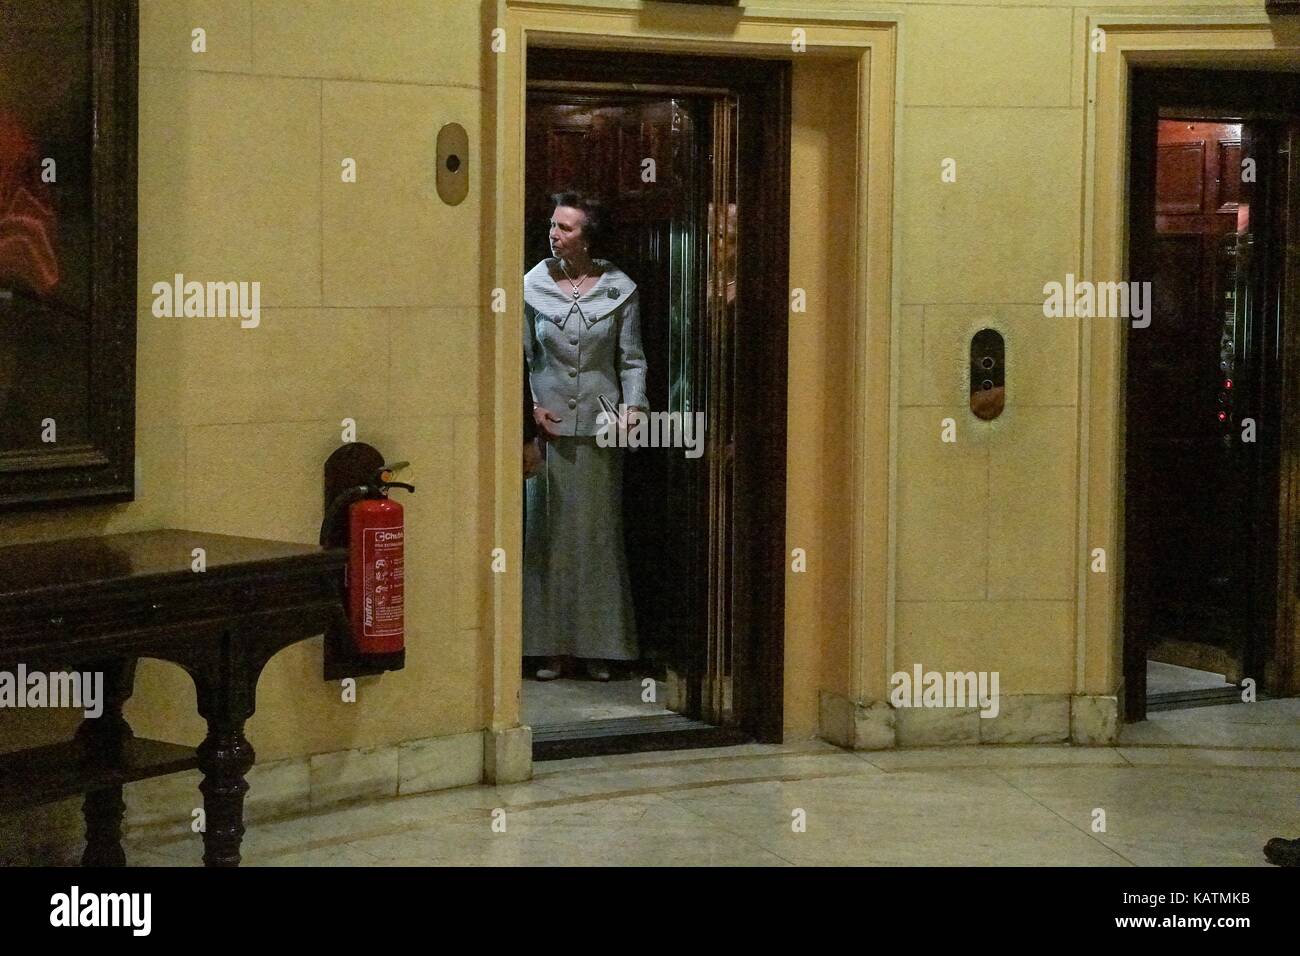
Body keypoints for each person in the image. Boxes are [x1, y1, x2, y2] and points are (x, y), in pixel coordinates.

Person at [522, 191, 647, 682]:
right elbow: (521, 357)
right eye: (553, 225)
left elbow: (632, 359)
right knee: (547, 539)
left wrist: (633, 409)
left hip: (600, 428)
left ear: (588, 235)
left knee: (597, 538)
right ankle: (549, 647)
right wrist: (529, 410)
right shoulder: (533, 284)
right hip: (549, 431)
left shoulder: (619, 288)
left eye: (566, 228)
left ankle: (601, 647)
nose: (555, 234)